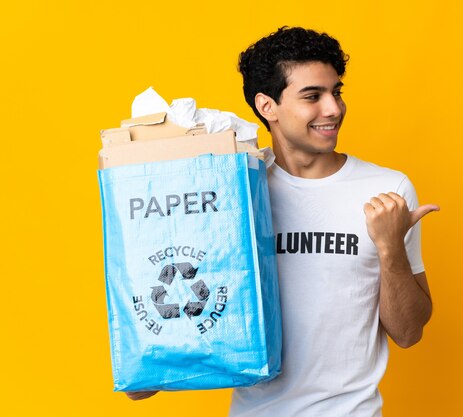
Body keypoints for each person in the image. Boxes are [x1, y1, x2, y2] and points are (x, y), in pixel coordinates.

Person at [128, 27, 438, 417]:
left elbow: (408, 333)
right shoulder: (231, 194)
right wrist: (149, 365)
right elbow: (192, 305)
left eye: (336, 92)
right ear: (267, 106)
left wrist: (391, 247)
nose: (333, 109)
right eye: (313, 96)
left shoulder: (387, 190)